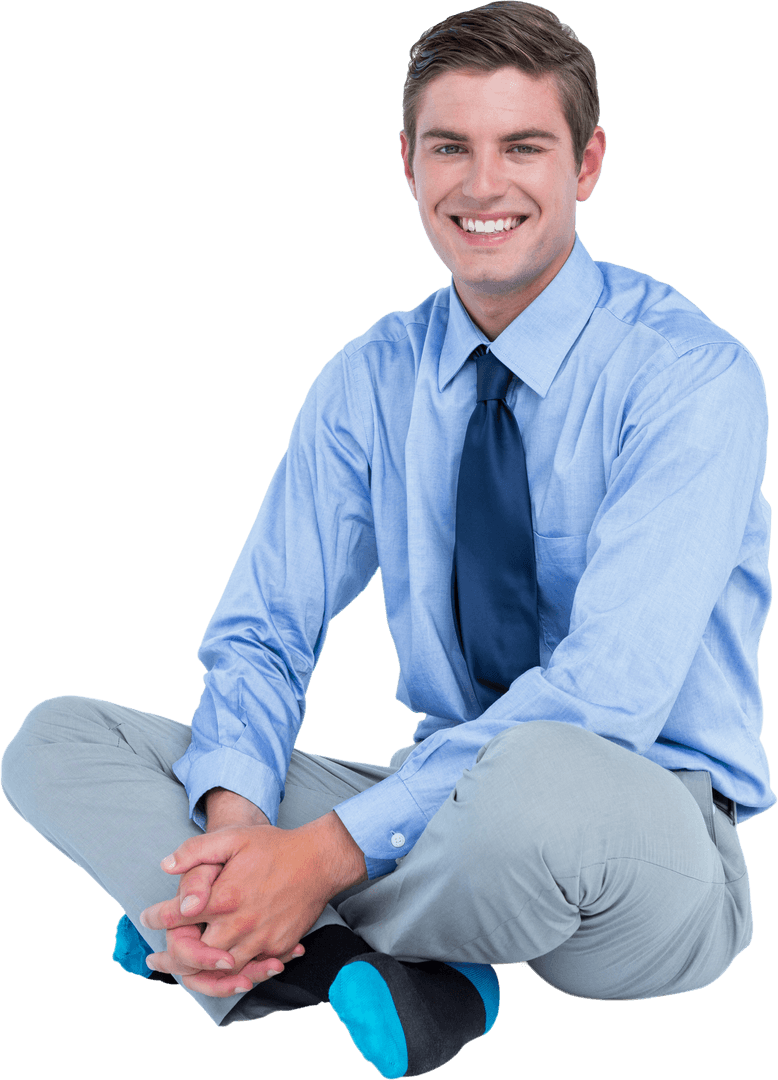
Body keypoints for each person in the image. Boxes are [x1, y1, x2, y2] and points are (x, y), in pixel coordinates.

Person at [1, 3, 772, 1078]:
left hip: (639, 837)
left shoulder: (694, 379)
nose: (482, 184)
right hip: (442, 807)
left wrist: (319, 853)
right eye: (449, 146)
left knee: (538, 778)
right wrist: (240, 823)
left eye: (523, 147)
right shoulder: (371, 377)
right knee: (55, 742)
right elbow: (265, 631)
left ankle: (240, 927)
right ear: (406, 163)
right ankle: (353, 955)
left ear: (587, 163)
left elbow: (609, 696)